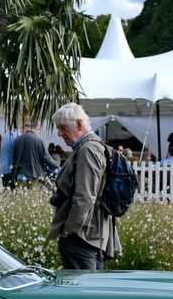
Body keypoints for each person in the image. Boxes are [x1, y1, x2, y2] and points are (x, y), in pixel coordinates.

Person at [48, 103, 120, 270]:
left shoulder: (88, 149)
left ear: (79, 124)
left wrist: (69, 229)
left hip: (84, 236)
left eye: (63, 128)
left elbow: (85, 196)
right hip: (90, 234)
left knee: (83, 292)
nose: (59, 133)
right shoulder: (90, 146)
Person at [7, 123, 58, 188]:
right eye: (40, 130)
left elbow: (14, 158)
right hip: (35, 175)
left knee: (21, 196)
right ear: (37, 129)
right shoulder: (38, 140)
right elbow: (45, 157)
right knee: (34, 196)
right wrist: (56, 165)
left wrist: (13, 174)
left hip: (20, 175)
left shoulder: (17, 140)